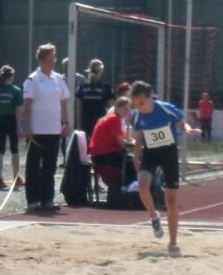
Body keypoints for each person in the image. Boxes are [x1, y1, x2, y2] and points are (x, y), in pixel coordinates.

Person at [130, 80, 200, 256]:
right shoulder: (137, 116)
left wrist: (188, 129)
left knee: (171, 200)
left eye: (142, 103)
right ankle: (154, 216)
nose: (139, 108)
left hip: (169, 153)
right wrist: (136, 157)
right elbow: (138, 138)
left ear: (150, 97)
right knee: (142, 185)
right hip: (150, 153)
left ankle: (173, 242)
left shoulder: (165, 108)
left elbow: (181, 122)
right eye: (136, 105)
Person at [23, 43, 70, 213]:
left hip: (54, 129)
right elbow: (27, 106)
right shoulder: (32, 80)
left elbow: (63, 103)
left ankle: (47, 199)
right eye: (50, 59)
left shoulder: (59, 79)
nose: (53, 62)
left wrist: (65, 123)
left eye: (54, 59)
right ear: (42, 60)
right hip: (37, 130)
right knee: (33, 167)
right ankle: (33, 201)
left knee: (50, 167)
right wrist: (28, 127)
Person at [0, 65, 24, 190]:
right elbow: (18, 110)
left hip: (0, 121)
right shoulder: (16, 90)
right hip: (12, 120)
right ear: (11, 76)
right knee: (14, 149)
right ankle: (16, 178)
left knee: (0, 150)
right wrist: (19, 127)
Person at [89, 96, 133, 186]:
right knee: (132, 163)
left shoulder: (118, 119)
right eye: (125, 109)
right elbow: (122, 144)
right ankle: (126, 190)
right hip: (102, 156)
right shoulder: (114, 119)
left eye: (129, 109)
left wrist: (128, 123)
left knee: (131, 161)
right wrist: (137, 148)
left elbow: (127, 139)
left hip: (103, 154)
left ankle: (127, 189)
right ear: (117, 108)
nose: (128, 112)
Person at [77, 59, 114, 139]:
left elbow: (79, 109)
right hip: (101, 123)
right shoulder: (105, 88)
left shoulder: (82, 87)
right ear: (101, 71)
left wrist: (79, 125)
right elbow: (111, 109)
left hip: (85, 124)